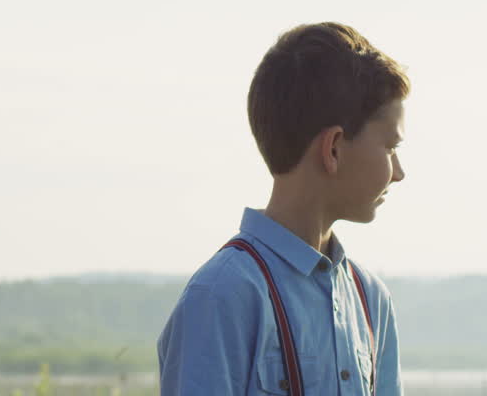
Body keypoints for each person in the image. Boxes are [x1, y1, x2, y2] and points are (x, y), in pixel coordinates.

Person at [158, 23, 408, 395]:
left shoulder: (370, 298)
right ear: (334, 148)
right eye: (390, 147)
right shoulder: (222, 296)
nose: (399, 173)